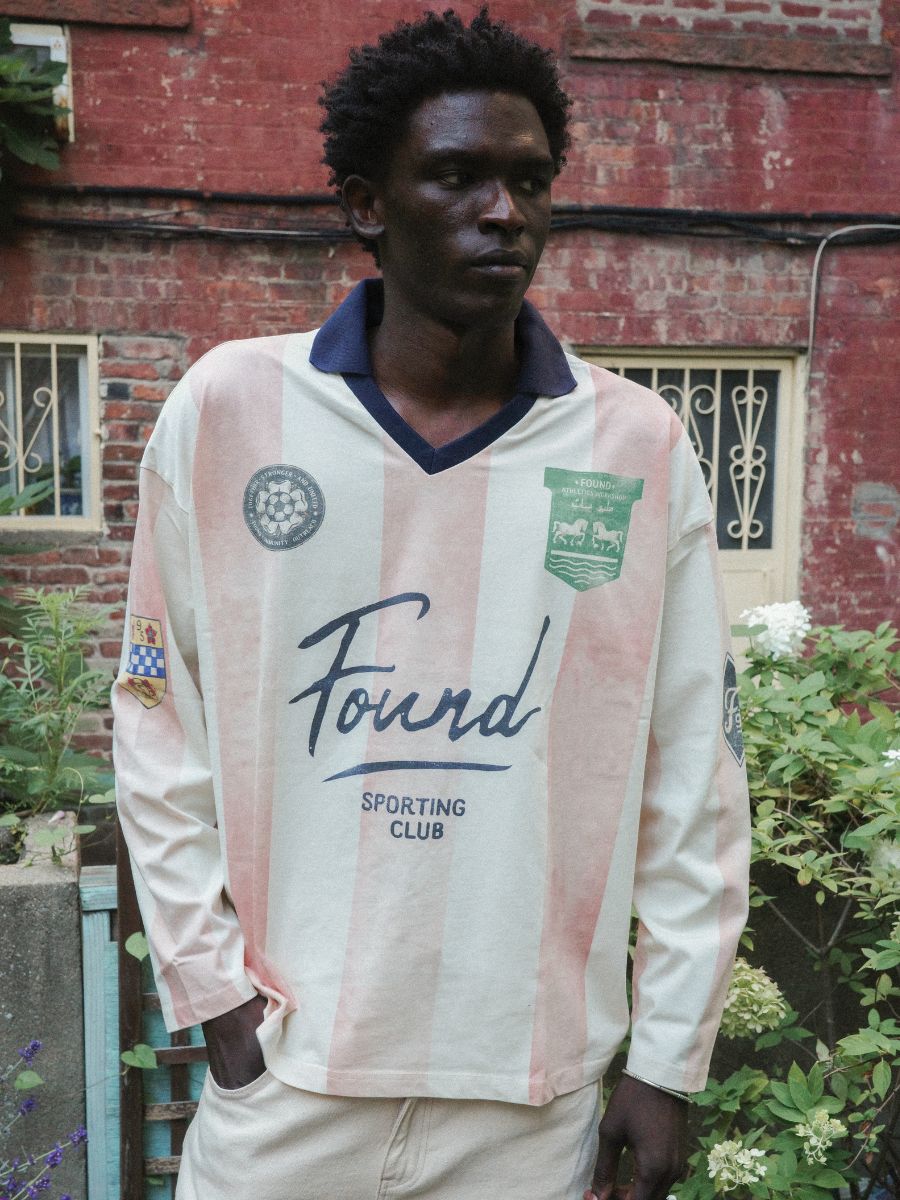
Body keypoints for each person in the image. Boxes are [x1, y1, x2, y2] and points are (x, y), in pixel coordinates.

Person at [113, 9, 750, 1199]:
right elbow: (158, 722)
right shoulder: (231, 412)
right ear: (368, 204)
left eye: (529, 181)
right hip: (292, 1079)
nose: (504, 212)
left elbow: (693, 773)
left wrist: (667, 1059)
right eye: (457, 176)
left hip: (529, 1098)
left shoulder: (636, 446)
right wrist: (213, 994)